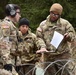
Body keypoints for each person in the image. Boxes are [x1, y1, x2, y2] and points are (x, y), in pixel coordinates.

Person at [36, 3, 75, 75]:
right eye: (53, 13)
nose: (54, 16)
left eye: (56, 14)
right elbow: (39, 37)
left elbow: (72, 34)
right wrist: (42, 46)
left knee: (66, 73)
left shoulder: (65, 23)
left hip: (63, 55)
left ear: (59, 15)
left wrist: (68, 36)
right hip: (49, 56)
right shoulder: (43, 25)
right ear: (50, 12)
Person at [0, 3, 21, 75]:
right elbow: (3, 44)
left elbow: (14, 46)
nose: (20, 15)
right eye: (18, 13)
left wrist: (18, 61)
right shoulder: (6, 25)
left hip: (12, 60)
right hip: (4, 62)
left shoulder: (12, 26)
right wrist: (7, 62)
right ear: (13, 13)